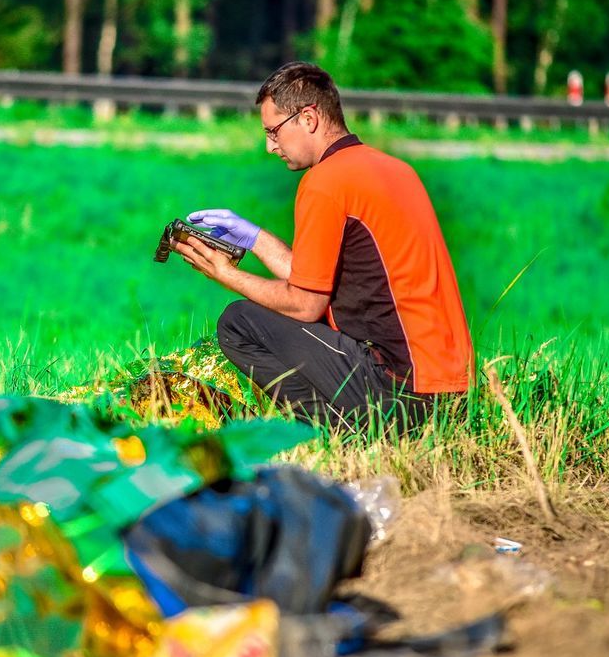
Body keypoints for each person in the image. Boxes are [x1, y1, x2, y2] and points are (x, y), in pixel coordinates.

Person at [174, 61, 473, 430]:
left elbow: (304, 304)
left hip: (399, 391)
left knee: (238, 322)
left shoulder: (325, 181)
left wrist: (223, 273)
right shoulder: (395, 170)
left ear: (309, 118)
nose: (270, 147)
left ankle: (337, 429)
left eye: (273, 132)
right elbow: (318, 279)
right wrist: (256, 240)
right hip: (453, 395)